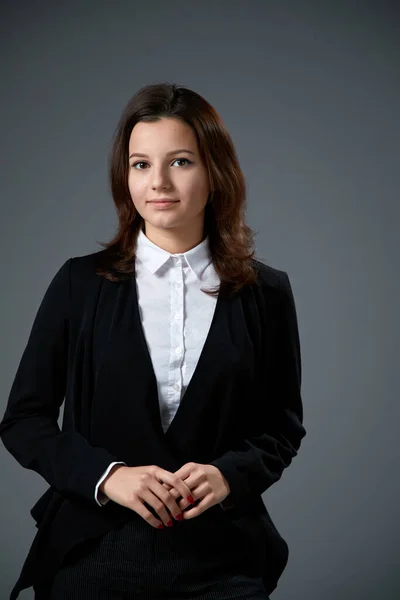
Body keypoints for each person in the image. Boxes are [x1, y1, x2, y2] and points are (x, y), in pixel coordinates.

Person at [0, 82, 307, 599]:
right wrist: (107, 476)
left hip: (223, 559)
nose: (158, 182)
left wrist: (227, 475)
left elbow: (281, 428)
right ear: (125, 176)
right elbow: (22, 420)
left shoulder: (267, 292)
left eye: (181, 162)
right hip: (92, 554)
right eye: (140, 164)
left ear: (216, 173)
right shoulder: (79, 284)